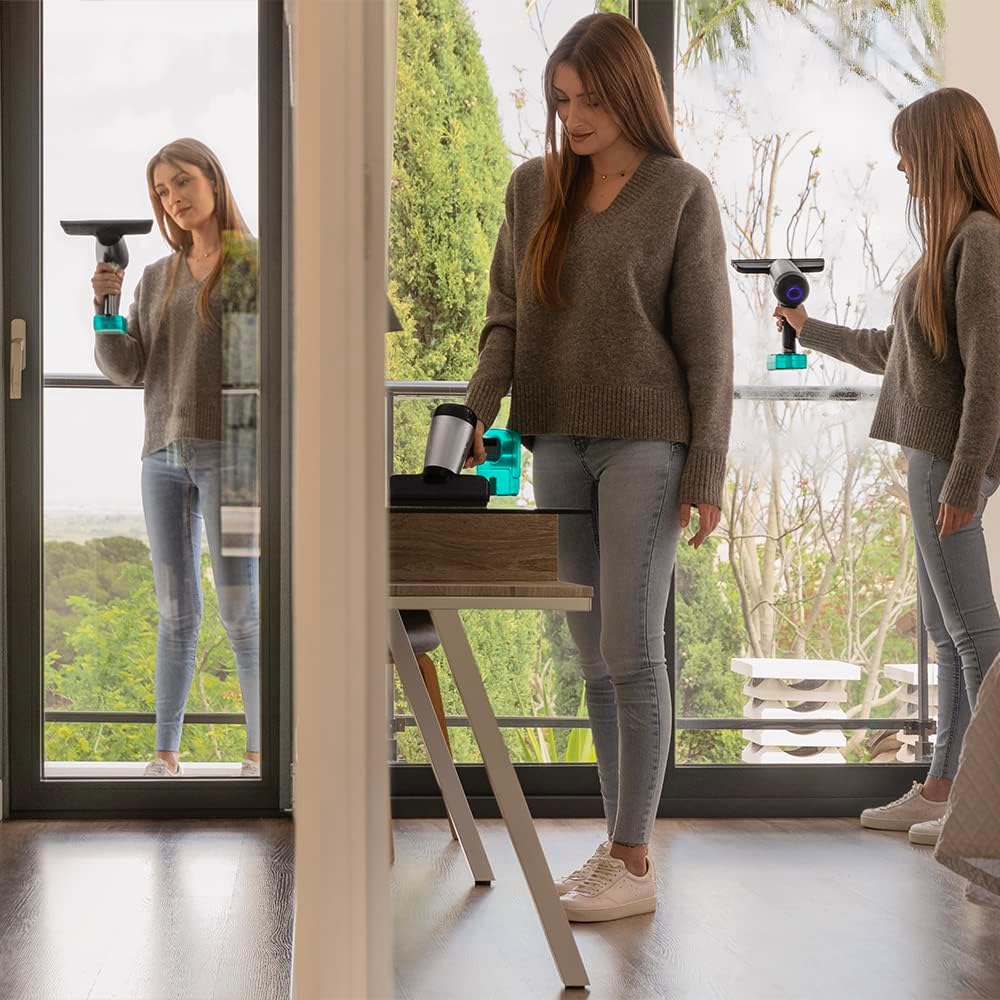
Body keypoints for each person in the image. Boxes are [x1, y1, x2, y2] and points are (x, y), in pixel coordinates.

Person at [463, 13, 733, 922]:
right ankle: (618, 846)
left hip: (646, 441)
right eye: (560, 99)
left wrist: (707, 472)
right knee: (589, 658)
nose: (572, 116)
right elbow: (506, 317)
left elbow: (708, 346)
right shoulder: (532, 187)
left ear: (632, 92)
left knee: (630, 646)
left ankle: (633, 857)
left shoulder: (680, 192)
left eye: (589, 98)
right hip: (554, 440)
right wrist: (476, 408)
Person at [774, 88, 1000, 847]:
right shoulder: (950, 244)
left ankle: (984, 801)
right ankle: (945, 786)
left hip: (946, 462)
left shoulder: (979, 241)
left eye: (909, 154)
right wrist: (810, 330)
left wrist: (964, 482)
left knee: (975, 637)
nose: (902, 169)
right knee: (947, 634)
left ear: (942, 151)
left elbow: (990, 377)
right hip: (929, 456)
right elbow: (897, 354)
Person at [91, 138, 261, 778]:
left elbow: (267, 361)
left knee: (243, 611)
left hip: (238, 455)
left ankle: (259, 752)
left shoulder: (253, 264)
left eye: (182, 181)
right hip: (160, 455)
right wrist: (106, 308)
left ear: (213, 178)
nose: (174, 198)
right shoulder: (157, 277)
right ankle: (164, 754)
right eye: (162, 190)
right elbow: (127, 369)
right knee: (174, 610)